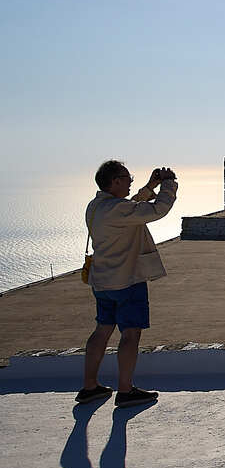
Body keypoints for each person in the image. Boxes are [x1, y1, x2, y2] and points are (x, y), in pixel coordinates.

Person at [76, 161, 178, 408]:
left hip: (102, 282)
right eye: (127, 177)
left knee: (102, 330)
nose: (131, 180)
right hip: (126, 282)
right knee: (130, 333)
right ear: (115, 181)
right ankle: (125, 390)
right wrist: (168, 184)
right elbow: (157, 210)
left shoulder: (96, 206)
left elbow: (131, 207)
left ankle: (90, 387)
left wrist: (150, 186)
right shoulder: (118, 209)